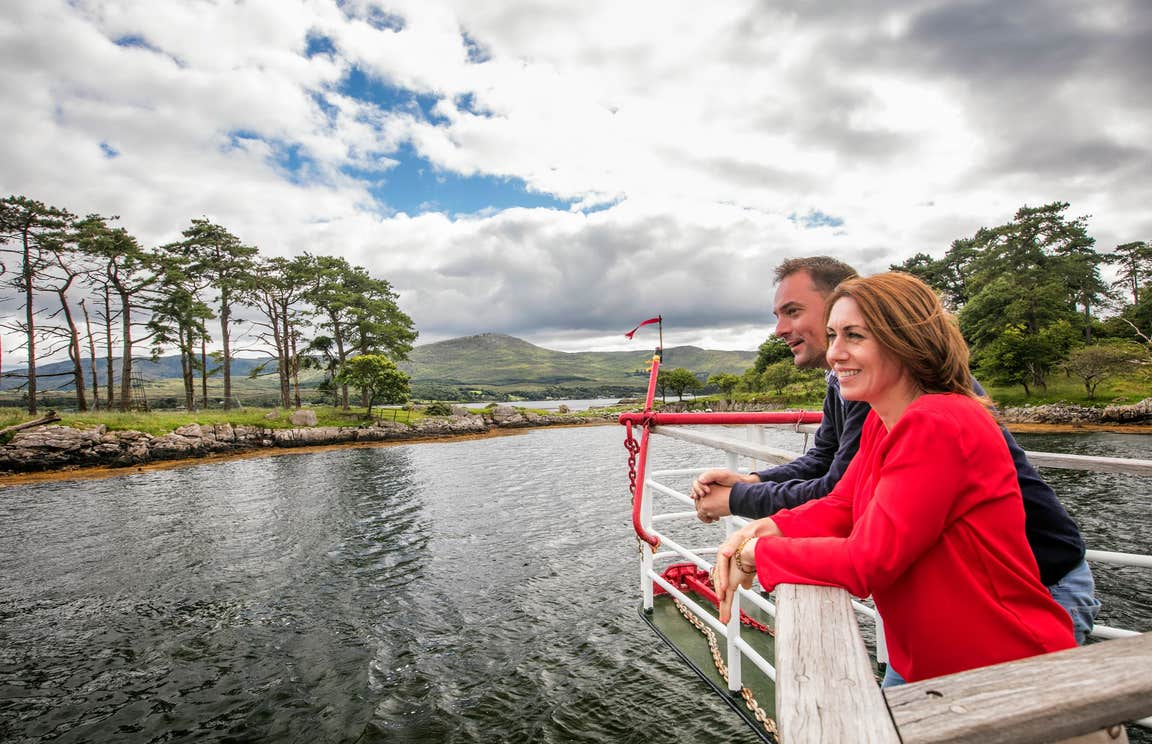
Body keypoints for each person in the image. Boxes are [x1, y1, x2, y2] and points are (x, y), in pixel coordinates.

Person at [691, 257, 1099, 645]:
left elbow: (868, 560)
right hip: (937, 623)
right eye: (833, 336)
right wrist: (764, 525)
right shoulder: (879, 416)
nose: (835, 352)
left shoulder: (935, 420)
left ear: (902, 341)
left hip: (1008, 617)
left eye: (854, 335)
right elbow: (842, 499)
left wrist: (757, 549)